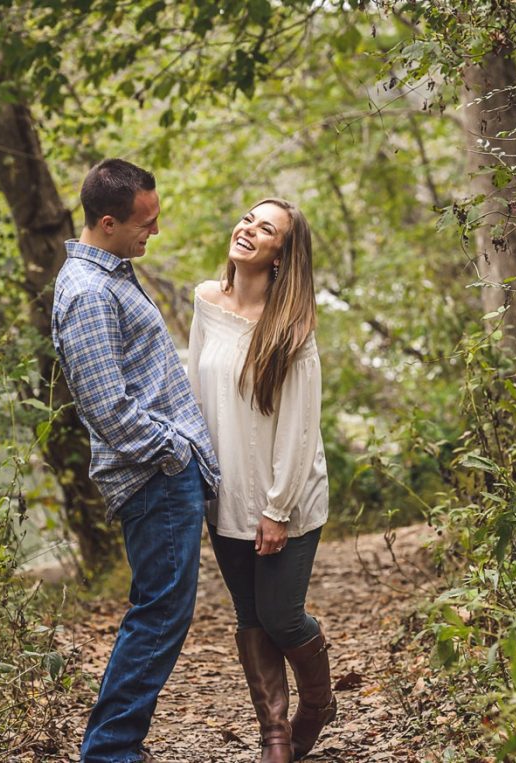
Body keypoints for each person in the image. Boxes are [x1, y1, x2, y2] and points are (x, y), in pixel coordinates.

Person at [53, 158, 221, 763]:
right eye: (146, 222)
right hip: (153, 477)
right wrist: (173, 452)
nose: (155, 231)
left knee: (160, 611)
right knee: (159, 614)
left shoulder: (113, 273)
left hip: (162, 474)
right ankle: (110, 752)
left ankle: (115, 747)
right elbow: (107, 407)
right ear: (108, 221)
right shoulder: (89, 292)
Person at [186, 199, 335, 762]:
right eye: (248, 218)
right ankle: (274, 736)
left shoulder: (293, 329)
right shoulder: (205, 301)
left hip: (286, 499)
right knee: (250, 616)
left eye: (265, 228)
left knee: (281, 616)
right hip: (225, 496)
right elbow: (193, 397)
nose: (248, 229)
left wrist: (277, 509)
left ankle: (316, 706)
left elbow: (300, 428)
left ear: (281, 255)